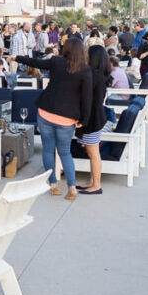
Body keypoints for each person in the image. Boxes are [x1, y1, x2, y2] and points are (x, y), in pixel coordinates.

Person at [16, 37, 93, 201]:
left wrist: (16, 58)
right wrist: (83, 120)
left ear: (66, 49)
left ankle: (53, 185)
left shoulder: (56, 61)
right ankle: (72, 186)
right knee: (65, 152)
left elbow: (35, 62)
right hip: (67, 118)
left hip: (46, 112)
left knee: (48, 149)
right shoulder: (85, 70)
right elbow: (87, 98)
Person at [76, 46, 112, 195]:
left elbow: (88, 100)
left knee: (93, 153)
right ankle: (92, 181)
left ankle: (96, 185)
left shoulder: (93, 76)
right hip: (96, 117)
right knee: (92, 152)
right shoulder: (100, 75)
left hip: (92, 119)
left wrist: (83, 120)